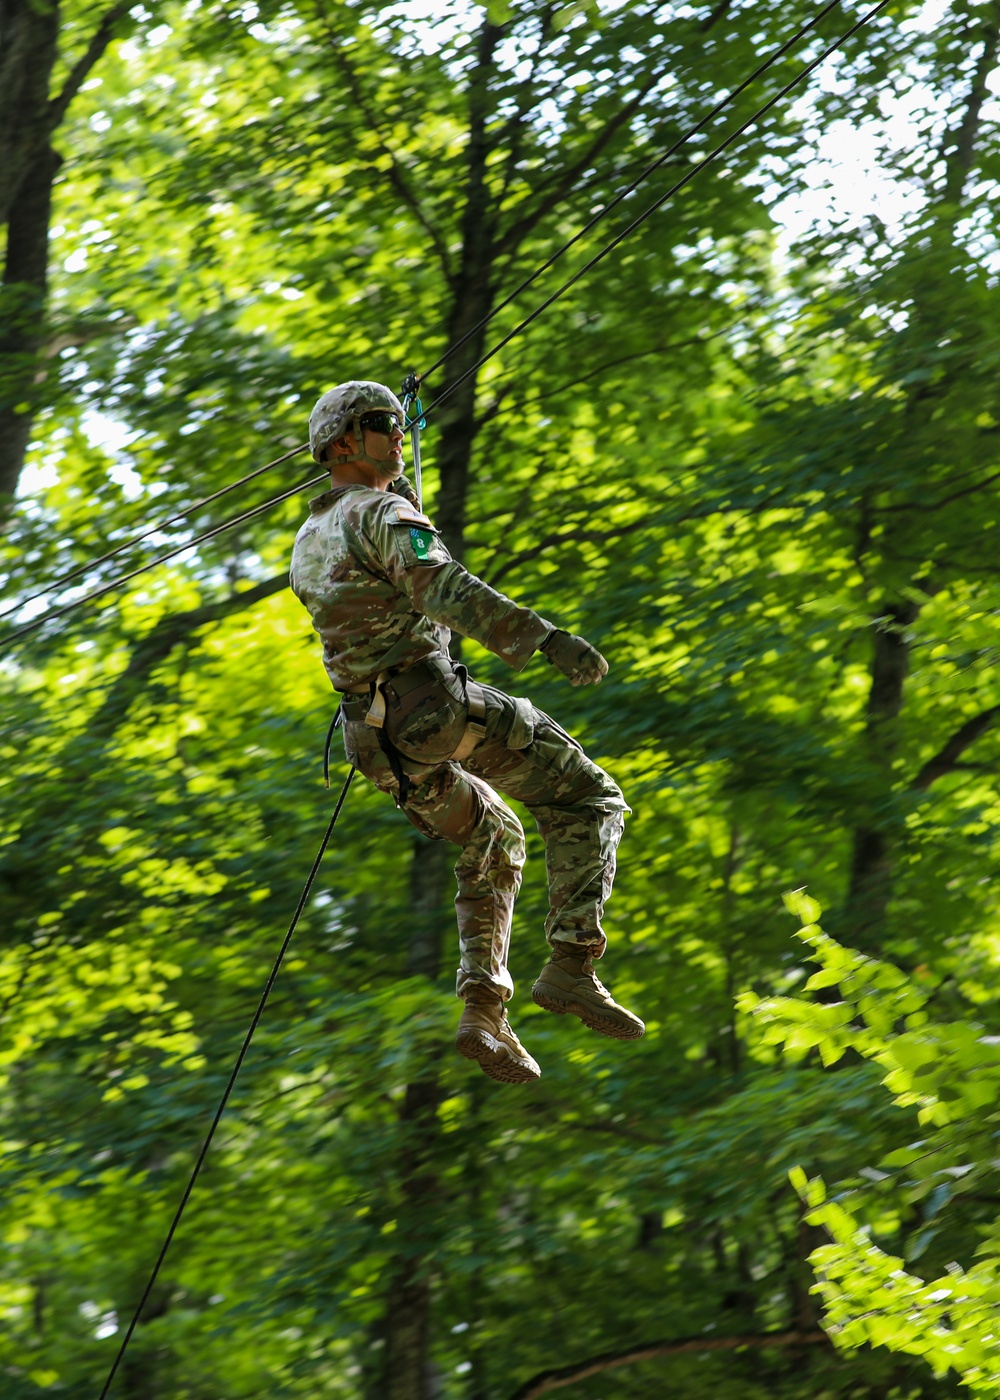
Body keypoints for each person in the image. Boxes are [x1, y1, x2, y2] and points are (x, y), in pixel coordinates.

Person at [290, 380, 643, 1084]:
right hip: (430, 712)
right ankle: (574, 963)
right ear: (339, 444)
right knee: (590, 799)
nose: (397, 433)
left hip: (377, 741)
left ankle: (484, 1011)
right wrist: (545, 639)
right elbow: (440, 588)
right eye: (379, 423)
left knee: (495, 835)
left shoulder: (309, 536)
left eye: (397, 422)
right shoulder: (382, 512)